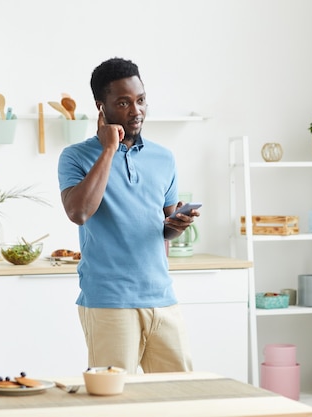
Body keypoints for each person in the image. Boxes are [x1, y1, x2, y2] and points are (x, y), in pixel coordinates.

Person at [57, 57, 200, 374]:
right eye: (123, 102)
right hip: (109, 302)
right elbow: (78, 212)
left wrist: (177, 225)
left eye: (141, 100)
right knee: (113, 400)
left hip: (162, 298)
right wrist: (109, 149)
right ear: (101, 106)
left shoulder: (164, 158)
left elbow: (164, 229)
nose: (136, 111)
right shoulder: (76, 157)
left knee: (181, 396)